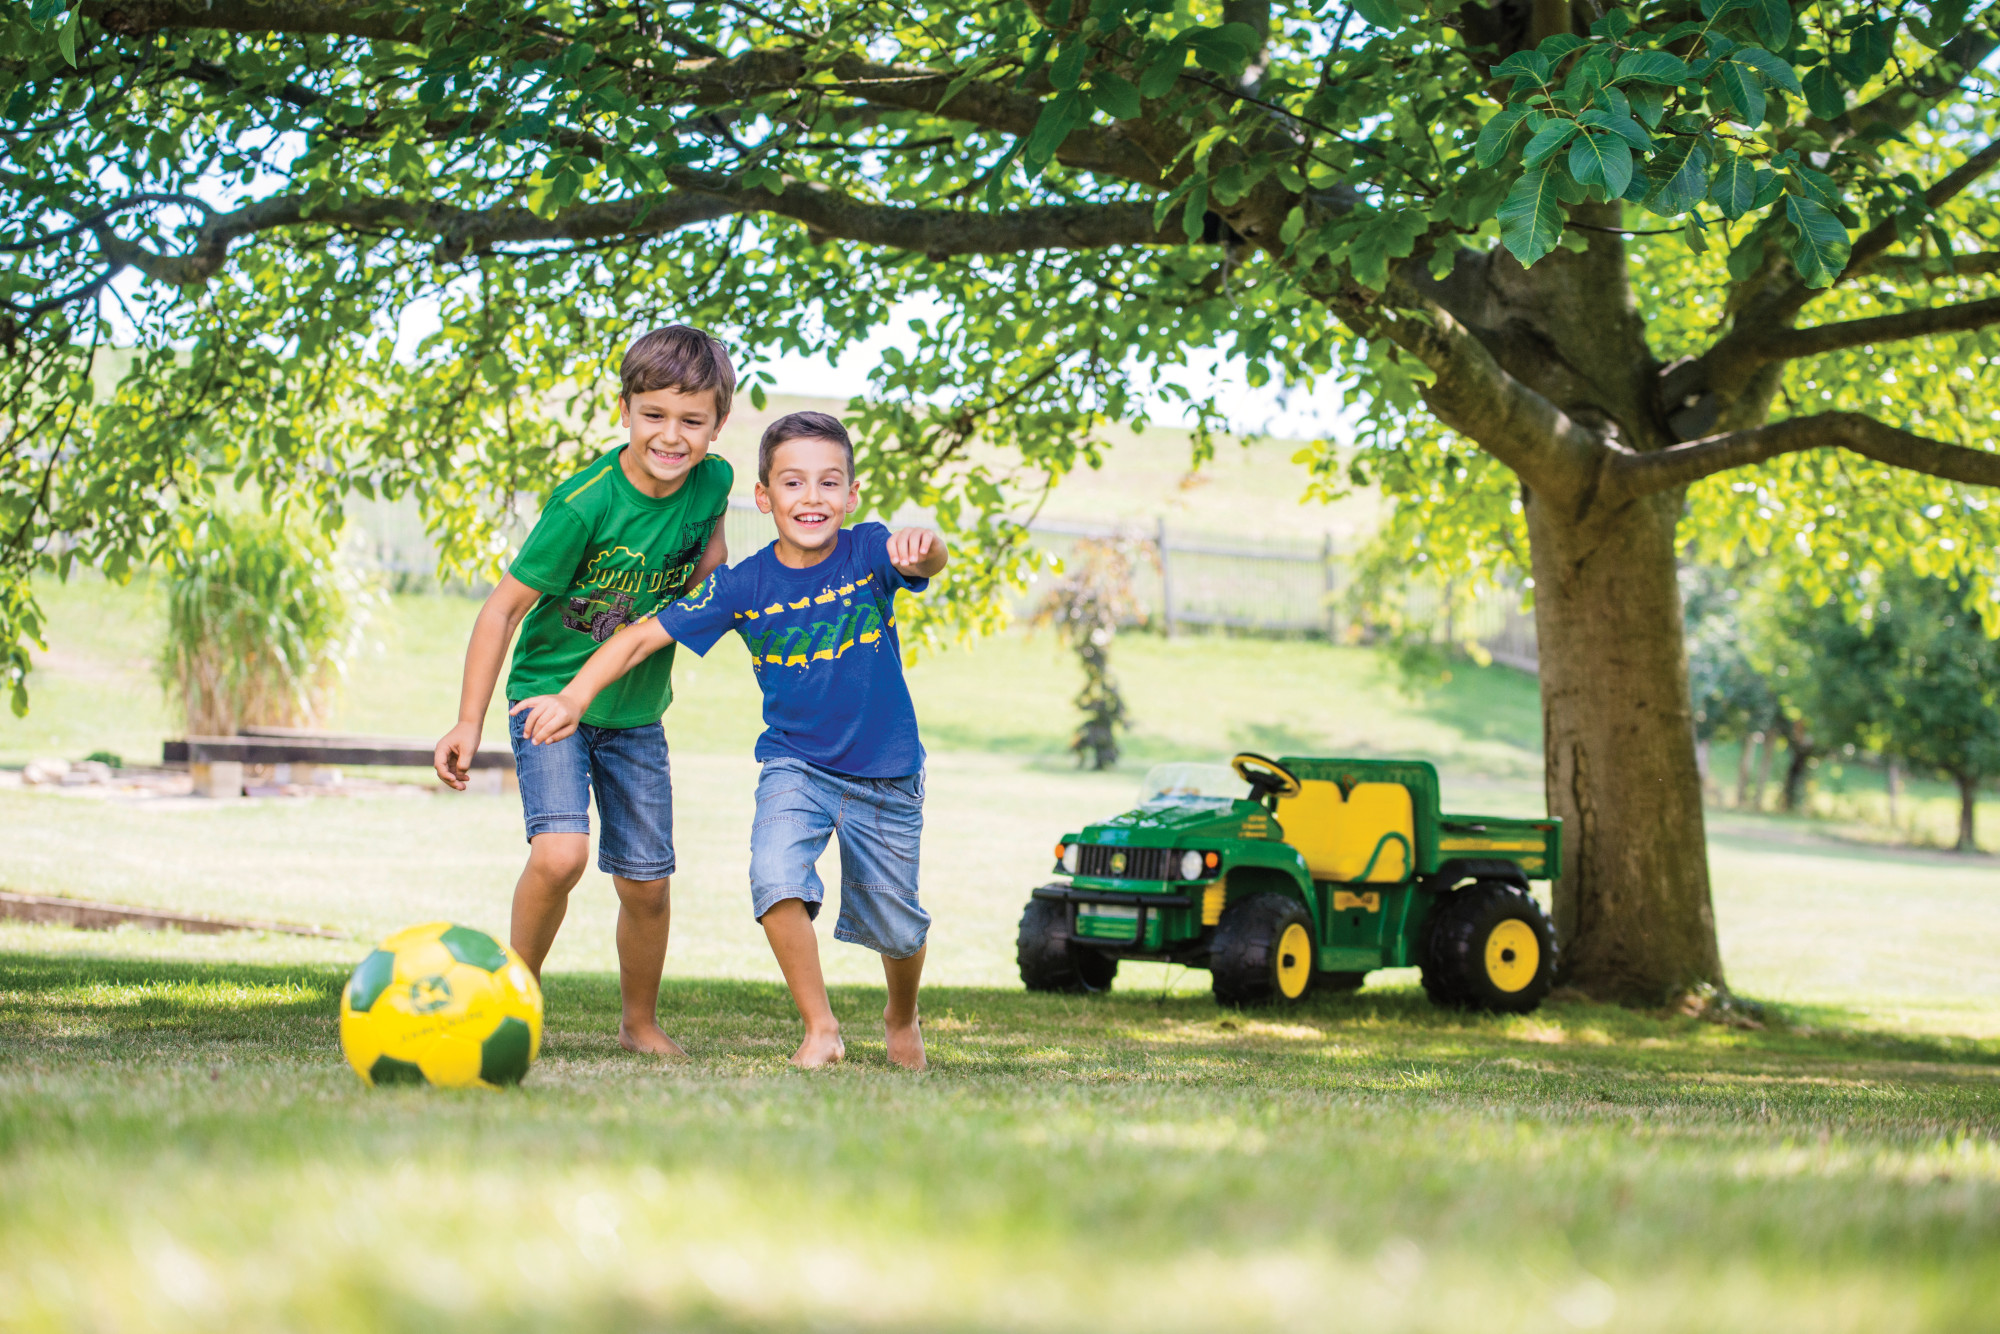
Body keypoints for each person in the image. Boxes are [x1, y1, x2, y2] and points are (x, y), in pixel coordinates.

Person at [511, 410, 947, 1070]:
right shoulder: (743, 585)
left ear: (852, 497)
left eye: (830, 484)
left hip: (884, 771)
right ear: (764, 498)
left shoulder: (868, 552)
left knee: (894, 921)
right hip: (795, 765)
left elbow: (928, 558)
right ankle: (820, 1027)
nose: (813, 498)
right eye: (794, 484)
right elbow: (638, 637)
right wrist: (574, 697)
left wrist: (926, 546)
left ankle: (901, 1015)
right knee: (774, 879)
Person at [432, 325, 736, 1059]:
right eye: (654, 415)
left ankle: (638, 1024)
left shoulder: (715, 481)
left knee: (647, 884)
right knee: (561, 855)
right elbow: (501, 608)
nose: (672, 436)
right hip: (549, 699)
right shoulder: (584, 505)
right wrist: (469, 722)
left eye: (692, 421)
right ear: (625, 409)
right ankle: (513, 1002)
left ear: (717, 423)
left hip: (635, 713)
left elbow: (712, 553)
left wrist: (706, 598)